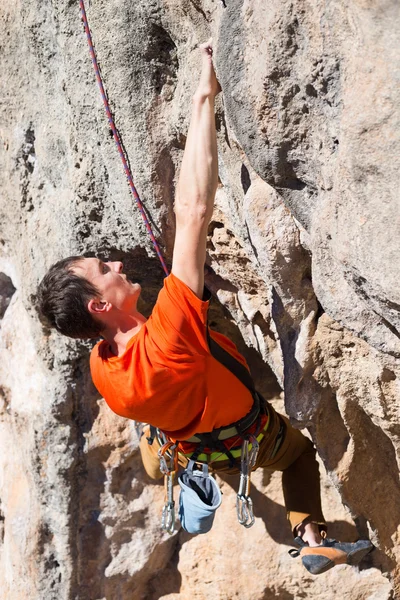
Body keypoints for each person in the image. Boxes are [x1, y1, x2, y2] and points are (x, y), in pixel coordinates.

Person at [37, 41, 372, 575]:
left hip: (194, 445)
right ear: (100, 303)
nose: (119, 265)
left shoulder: (103, 366)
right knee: (297, 455)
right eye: (105, 270)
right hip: (248, 434)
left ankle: (159, 447)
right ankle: (312, 536)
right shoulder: (169, 331)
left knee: (154, 447)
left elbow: (145, 341)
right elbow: (193, 209)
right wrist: (203, 96)